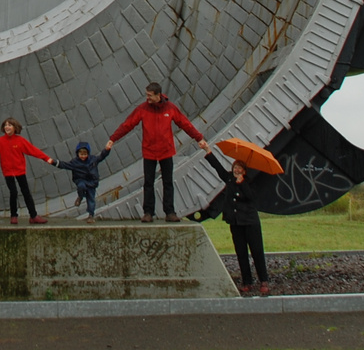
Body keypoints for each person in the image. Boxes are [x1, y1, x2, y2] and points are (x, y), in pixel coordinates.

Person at [105, 81, 209, 222]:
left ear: (158, 95)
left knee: (168, 182)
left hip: (166, 151)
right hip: (149, 152)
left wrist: (199, 138)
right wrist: (113, 139)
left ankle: (170, 212)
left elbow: (185, 124)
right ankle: (148, 212)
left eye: (150, 95)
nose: (147, 98)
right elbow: (127, 125)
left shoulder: (170, 108)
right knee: (148, 183)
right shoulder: (143, 109)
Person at [204, 152, 269, 296]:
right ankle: (247, 281)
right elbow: (218, 168)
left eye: (239, 168)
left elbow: (251, 197)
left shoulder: (250, 183)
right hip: (236, 222)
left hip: (250, 222)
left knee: (257, 251)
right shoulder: (229, 180)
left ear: (244, 171)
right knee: (241, 253)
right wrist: (208, 152)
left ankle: (263, 280)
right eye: (235, 167)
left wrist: (243, 183)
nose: (236, 170)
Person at [0, 117, 55, 224]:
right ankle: (14, 216)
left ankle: (33, 216)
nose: (7, 127)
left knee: (26, 192)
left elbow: (33, 150)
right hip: (8, 172)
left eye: (9, 125)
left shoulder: (20, 141)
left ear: (15, 128)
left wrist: (47, 158)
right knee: (13, 192)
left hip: (20, 171)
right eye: (5, 125)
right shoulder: (0, 142)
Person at [54, 141, 112, 221]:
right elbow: (64, 165)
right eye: (81, 154)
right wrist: (55, 162)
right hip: (81, 180)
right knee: (81, 186)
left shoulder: (93, 160)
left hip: (92, 182)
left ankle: (91, 215)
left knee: (91, 199)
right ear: (78, 154)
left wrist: (107, 149)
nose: (83, 156)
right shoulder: (75, 163)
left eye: (85, 154)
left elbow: (101, 157)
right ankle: (80, 196)